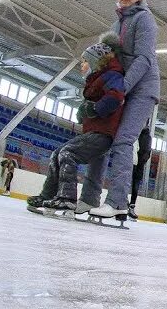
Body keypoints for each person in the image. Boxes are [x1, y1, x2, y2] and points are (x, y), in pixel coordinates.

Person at [89, 0, 160, 223]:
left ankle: (117, 202)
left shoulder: (145, 20)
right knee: (105, 138)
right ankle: (90, 197)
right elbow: (111, 58)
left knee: (122, 141)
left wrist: (122, 89)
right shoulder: (117, 23)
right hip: (126, 87)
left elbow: (144, 59)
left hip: (143, 89)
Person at [26, 38, 125, 215]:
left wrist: (95, 109)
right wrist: (85, 113)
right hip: (95, 131)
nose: (82, 65)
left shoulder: (112, 76)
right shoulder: (98, 79)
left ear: (96, 62)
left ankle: (67, 198)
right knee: (57, 153)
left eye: (85, 61)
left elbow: (116, 97)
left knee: (67, 153)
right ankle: (48, 195)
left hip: (103, 135)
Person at [127, 125, 152, 222]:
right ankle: (127, 206)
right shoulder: (146, 136)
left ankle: (127, 206)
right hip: (136, 164)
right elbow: (147, 153)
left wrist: (140, 162)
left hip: (135, 164)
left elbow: (147, 152)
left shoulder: (142, 135)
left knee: (130, 185)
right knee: (132, 185)